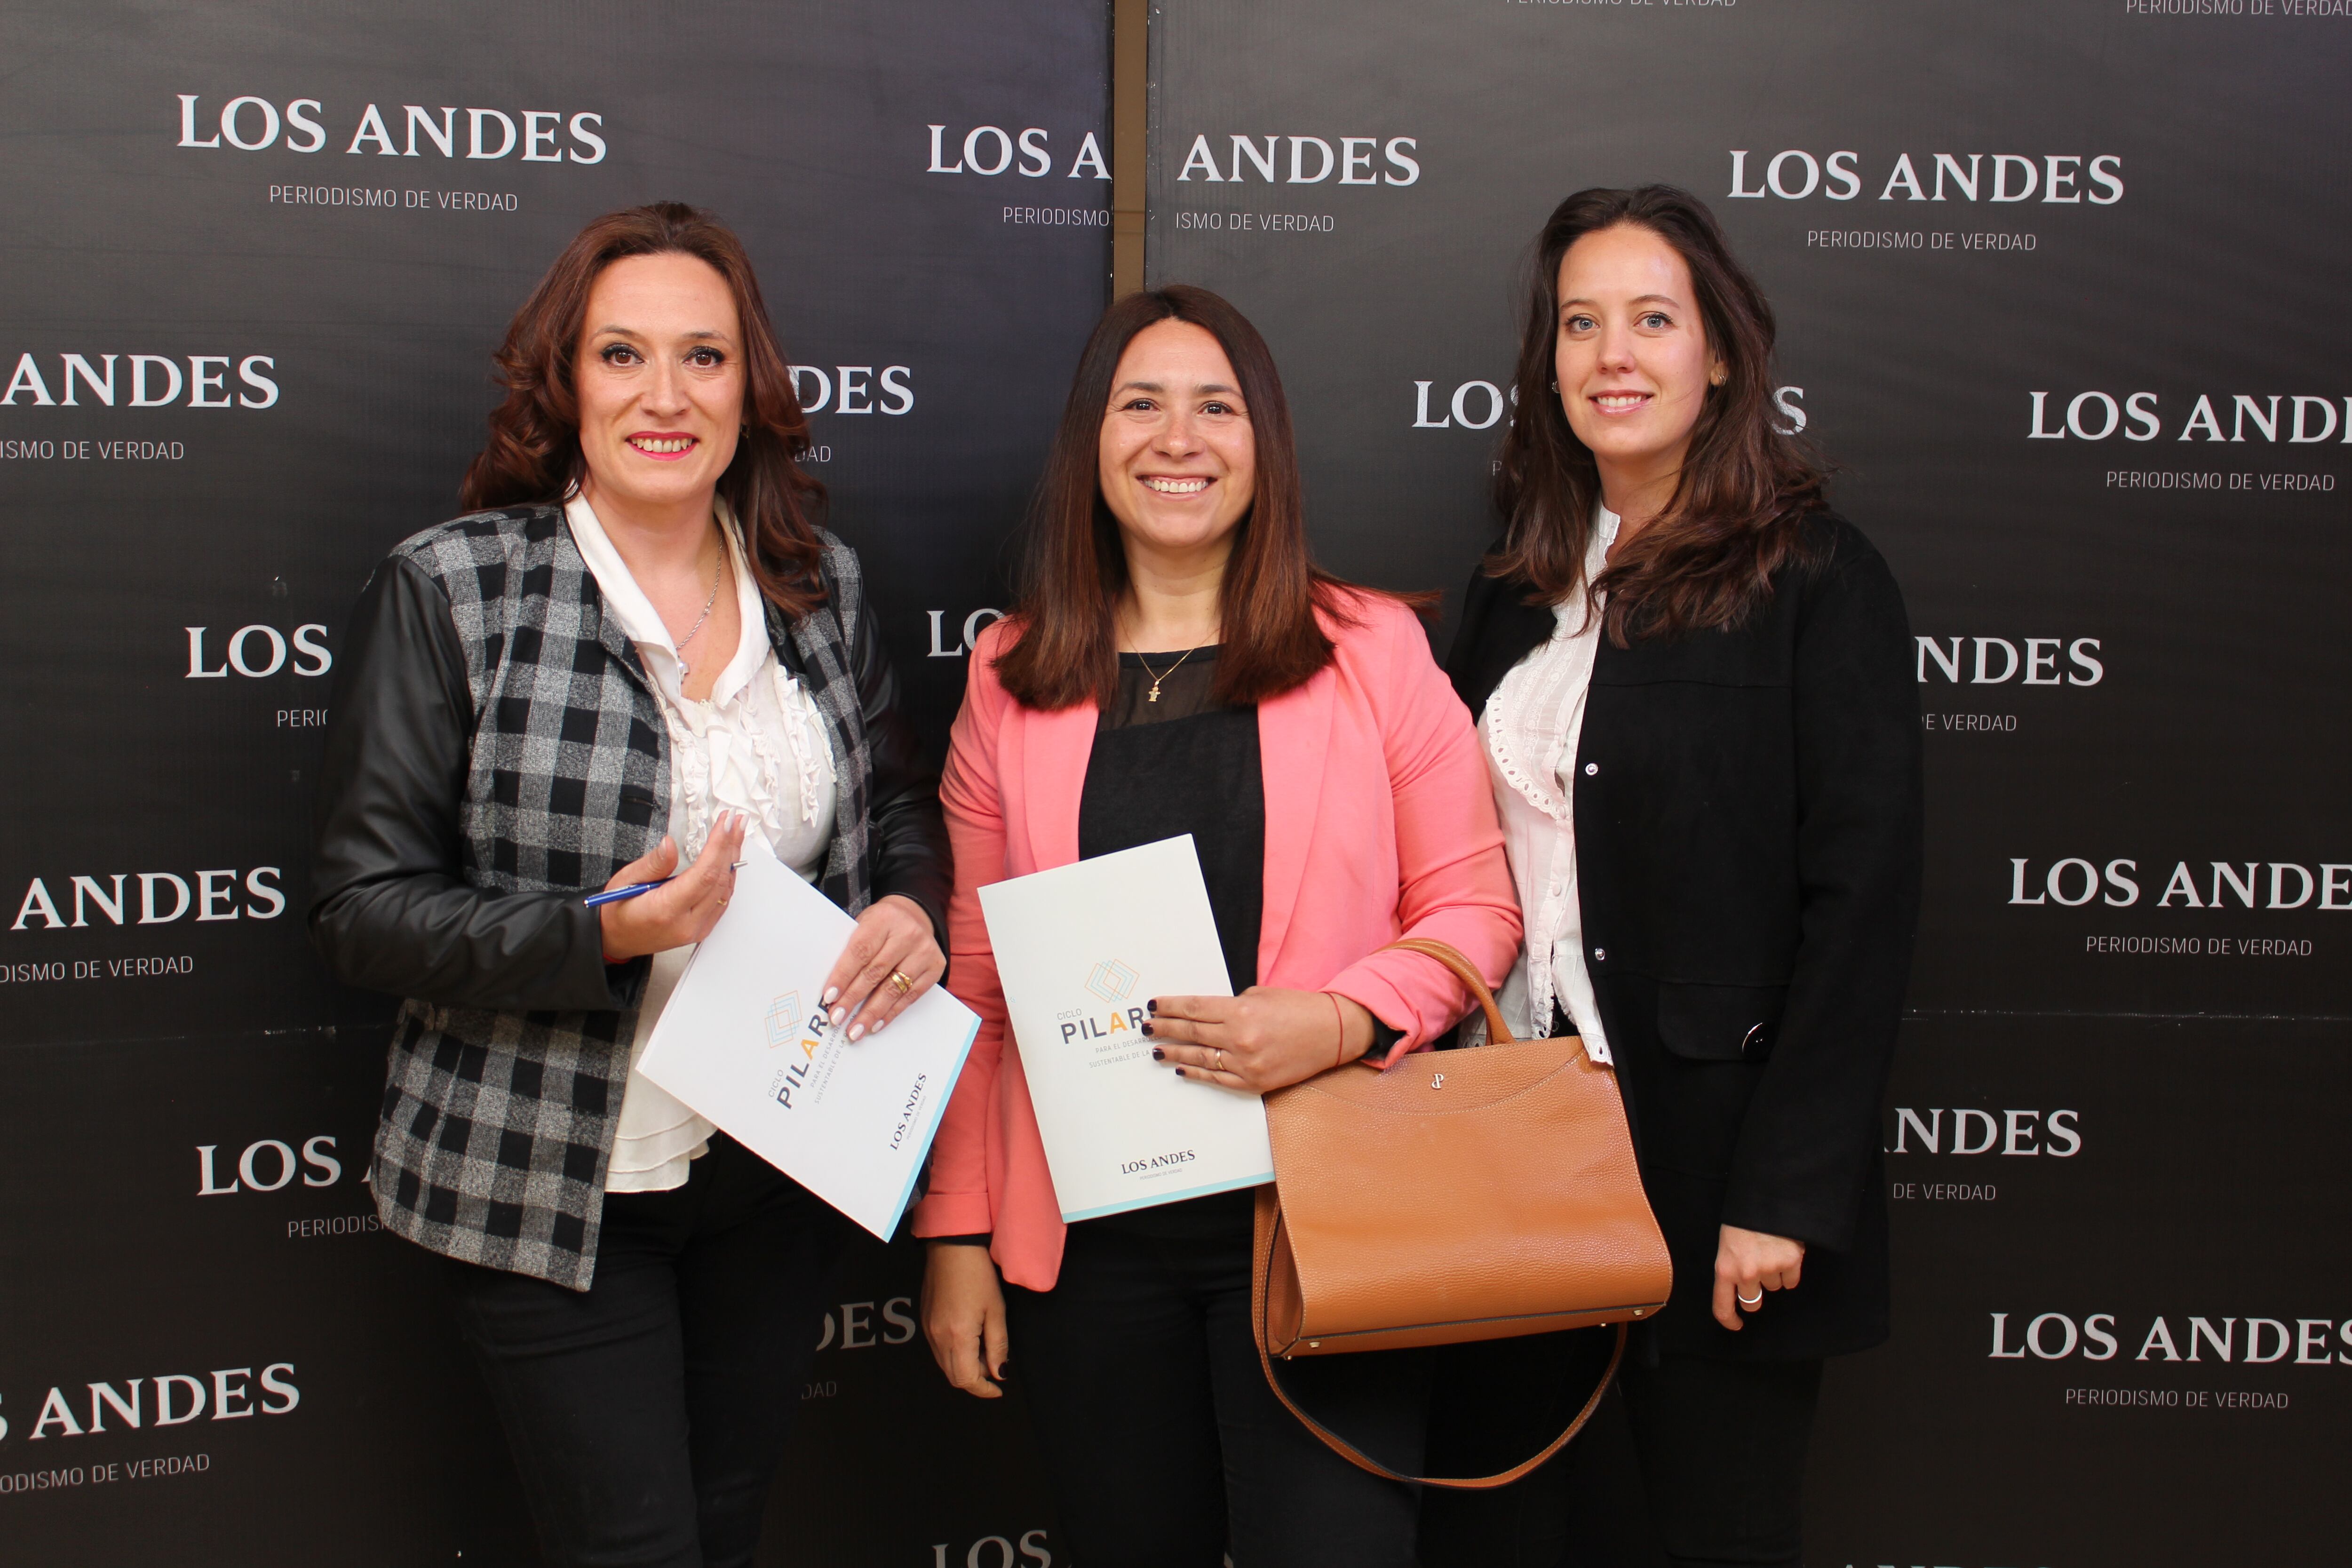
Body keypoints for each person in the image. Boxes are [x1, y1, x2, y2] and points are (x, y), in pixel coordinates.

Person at [308, 202, 950, 1568]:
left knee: (726, 1529)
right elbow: (363, 911)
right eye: (623, 357)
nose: (667, 397)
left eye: (705, 359)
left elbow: (896, 803)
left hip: (778, 1162)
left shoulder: (815, 587)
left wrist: (908, 906)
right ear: (567, 384)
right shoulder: (458, 590)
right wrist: (598, 936)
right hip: (553, 1181)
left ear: (750, 388)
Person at [913, 285, 1523, 1568]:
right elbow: (976, 986)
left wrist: (1344, 1016)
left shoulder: (1373, 654)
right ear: (1092, 440)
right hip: (1090, 1260)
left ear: (1267, 446)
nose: (1176, 439)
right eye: (1140, 404)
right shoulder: (1010, 680)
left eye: (1215, 407)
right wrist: (959, 1235)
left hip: (1327, 1228)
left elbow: (1475, 908)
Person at [1430, 186, 1923, 1568]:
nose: (1613, 356)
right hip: (1510, 1157)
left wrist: (1787, 1191)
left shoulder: (1819, 577)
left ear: (1721, 353)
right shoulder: (1511, 590)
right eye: (1580, 324)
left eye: (1654, 319)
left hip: (1718, 1175)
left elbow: (1864, 906)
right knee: (1521, 1536)